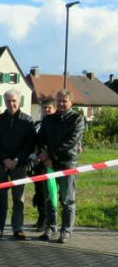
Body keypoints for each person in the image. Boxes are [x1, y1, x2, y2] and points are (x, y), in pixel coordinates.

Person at [0, 89, 35, 240]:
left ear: (19, 101)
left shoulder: (27, 121)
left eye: (14, 101)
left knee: (18, 198)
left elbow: (30, 144)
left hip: (20, 165)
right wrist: (5, 159)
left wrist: (16, 160)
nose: (11, 104)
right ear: (4, 102)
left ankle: (18, 228)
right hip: (0, 164)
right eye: (8, 101)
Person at [37, 90, 86, 243]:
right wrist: (43, 155)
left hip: (67, 164)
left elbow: (70, 142)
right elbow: (40, 139)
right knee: (49, 198)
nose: (61, 104)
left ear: (71, 102)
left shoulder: (78, 120)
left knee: (67, 200)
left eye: (64, 101)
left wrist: (49, 155)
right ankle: (51, 227)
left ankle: (66, 230)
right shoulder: (49, 119)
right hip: (49, 165)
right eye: (59, 101)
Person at [32, 97, 57, 231]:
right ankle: (41, 218)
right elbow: (35, 141)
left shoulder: (58, 124)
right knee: (39, 192)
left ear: (54, 109)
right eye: (44, 108)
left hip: (52, 163)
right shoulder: (37, 124)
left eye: (49, 108)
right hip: (38, 162)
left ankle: (50, 221)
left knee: (50, 193)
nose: (46, 110)